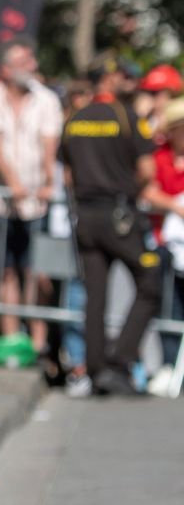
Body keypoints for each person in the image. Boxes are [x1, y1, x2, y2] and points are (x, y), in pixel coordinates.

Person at [61, 56, 160, 396]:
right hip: (119, 216)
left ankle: (97, 367)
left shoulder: (75, 117)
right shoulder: (126, 116)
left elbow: (66, 173)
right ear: (108, 79)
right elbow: (147, 171)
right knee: (151, 280)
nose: (126, 80)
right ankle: (119, 360)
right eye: (121, 74)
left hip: (84, 216)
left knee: (96, 295)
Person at [0, 38, 62, 350]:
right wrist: (12, 183)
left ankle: (38, 343)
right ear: (7, 69)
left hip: (38, 202)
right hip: (3, 201)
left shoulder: (46, 99)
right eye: (25, 62)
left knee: (38, 272)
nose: (33, 67)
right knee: (6, 270)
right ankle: (12, 338)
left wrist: (50, 183)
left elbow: (50, 146)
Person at [141, 94, 184, 391]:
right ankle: (169, 364)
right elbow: (148, 191)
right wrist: (176, 206)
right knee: (170, 305)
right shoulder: (159, 156)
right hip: (166, 241)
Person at [135, 63, 183, 142]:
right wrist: (138, 117)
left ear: (171, 94)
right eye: (147, 92)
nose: (149, 97)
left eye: (154, 92)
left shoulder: (178, 121)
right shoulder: (147, 118)